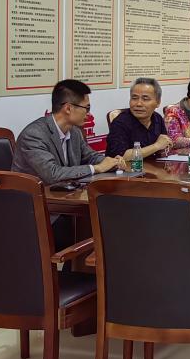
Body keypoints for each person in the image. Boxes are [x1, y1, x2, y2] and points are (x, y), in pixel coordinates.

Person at [13, 79, 124, 251]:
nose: (88, 113)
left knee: (108, 219)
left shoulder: (74, 132)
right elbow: (52, 174)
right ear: (68, 108)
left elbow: (89, 156)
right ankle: (79, 266)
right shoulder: (34, 135)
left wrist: (112, 162)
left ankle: (89, 266)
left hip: (66, 203)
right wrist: (97, 168)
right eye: (86, 108)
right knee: (93, 228)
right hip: (38, 211)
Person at [106, 77, 172, 161]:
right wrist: (156, 146)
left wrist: (165, 145)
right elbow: (120, 157)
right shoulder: (120, 122)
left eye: (145, 99)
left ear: (158, 102)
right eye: (134, 98)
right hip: (130, 168)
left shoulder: (157, 118)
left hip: (153, 166)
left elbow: (163, 143)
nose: (139, 104)